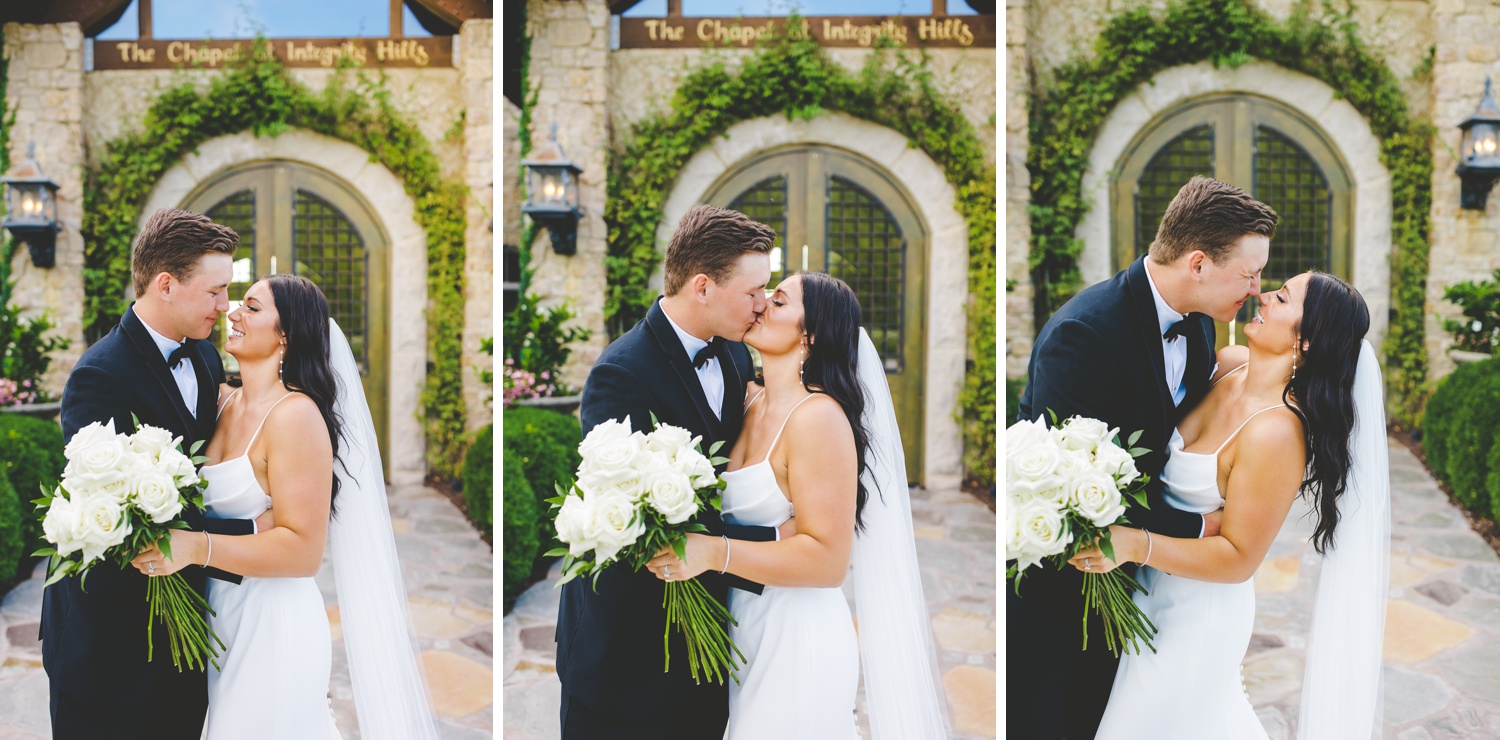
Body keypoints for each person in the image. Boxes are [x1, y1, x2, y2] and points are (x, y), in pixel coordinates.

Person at [1011, 176, 1279, 738]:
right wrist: (1202, 525)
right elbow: (1073, 490)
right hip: (1070, 597)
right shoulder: (1083, 335)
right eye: (1249, 273)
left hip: (1150, 585)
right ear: (1199, 263)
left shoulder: (1203, 322)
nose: (1258, 288)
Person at [1070, 271, 1388, 739]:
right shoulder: (1226, 363)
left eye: (1281, 298)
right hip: (1145, 590)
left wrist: (1135, 544)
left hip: (1198, 615)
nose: (1262, 295)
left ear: (1306, 341)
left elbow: (1240, 558)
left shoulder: (1276, 432)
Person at [131, 274, 439, 739]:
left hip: (271, 623)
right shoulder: (220, 401)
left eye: (252, 308)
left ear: (286, 334)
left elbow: (303, 551)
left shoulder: (295, 416)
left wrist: (196, 548)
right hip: (218, 615)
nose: (232, 313)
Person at [646, 271, 950, 739]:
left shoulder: (818, 419)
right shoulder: (746, 400)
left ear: (808, 335)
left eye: (780, 301)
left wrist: (713, 551)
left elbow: (829, 561)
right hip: (746, 628)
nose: (762, 303)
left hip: (799, 638)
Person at [557, 203, 787, 739]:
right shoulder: (621, 372)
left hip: (704, 646)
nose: (762, 304)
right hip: (623, 652)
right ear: (703, 286)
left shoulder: (733, 352)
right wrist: (776, 540)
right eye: (753, 290)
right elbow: (639, 525)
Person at [45, 208, 261, 740]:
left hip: (183, 641)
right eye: (215, 291)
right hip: (109, 647)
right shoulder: (100, 373)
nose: (224, 306)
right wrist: (261, 534)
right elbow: (121, 524)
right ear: (166, 284)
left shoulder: (207, 361)